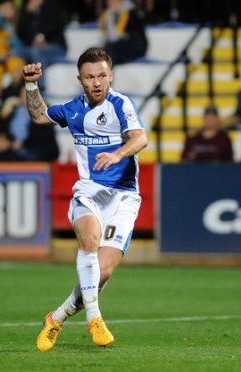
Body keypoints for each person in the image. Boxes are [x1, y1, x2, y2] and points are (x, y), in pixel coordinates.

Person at [22, 47, 148, 350]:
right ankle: (95, 317)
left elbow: (140, 138)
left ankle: (57, 317)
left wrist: (117, 153)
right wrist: (30, 84)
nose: (97, 82)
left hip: (124, 197)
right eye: (90, 77)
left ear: (111, 75)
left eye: (102, 75)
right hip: (89, 192)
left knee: (101, 273)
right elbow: (39, 114)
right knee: (89, 239)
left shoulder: (121, 105)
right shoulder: (73, 110)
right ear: (80, 79)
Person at [99, 0, 148, 65]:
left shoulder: (128, 11)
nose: (110, 3)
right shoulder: (111, 13)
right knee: (98, 53)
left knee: (110, 50)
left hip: (137, 46)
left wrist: (109, 17)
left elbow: (115, 36)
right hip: (122, 45)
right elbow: (104, 34)